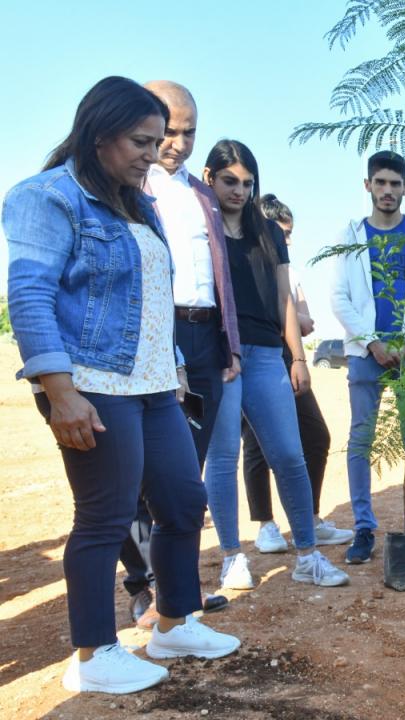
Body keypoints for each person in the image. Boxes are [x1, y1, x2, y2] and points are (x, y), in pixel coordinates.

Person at [4, 76, 240, 694]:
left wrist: (175, 369)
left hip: (156, 383)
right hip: (91, 381)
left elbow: (150, 298)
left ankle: (174, 621)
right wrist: (60, 392)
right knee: (104, 516)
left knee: (185, 503)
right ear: (99, 133)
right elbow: (29, 294)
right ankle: (92, 655)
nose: (151, 152)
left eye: (157, 140)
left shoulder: (136, 202)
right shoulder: (48, 196)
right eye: (141, 140)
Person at [201, 140, 349, 589]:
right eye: (230, 181)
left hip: (268, 354)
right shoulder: (198, 228)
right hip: (220, 354)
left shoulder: (267, 232)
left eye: (247, 183)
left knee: (289, 454)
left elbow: (285, 297)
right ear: (209, 178)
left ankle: (307, 554)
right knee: (223, 457)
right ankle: (232, 557)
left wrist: (298, 358)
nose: (239, 190)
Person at [119, 80, 238, 627]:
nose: (178, 143)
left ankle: (179, 594)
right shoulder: (127, 189)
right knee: (141, 472)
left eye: (189, 131)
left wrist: (227, 344)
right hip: (149, 340)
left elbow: (219, 276)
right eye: (169, 130)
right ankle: (143, 589)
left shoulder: (200, 194)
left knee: (186, 475)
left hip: (204, 337)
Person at [331, 151, 405, 563]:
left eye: (395, 184)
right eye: (380, 182)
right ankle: (364, 529)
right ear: (368, 185)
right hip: (367, 354)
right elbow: (340, 298)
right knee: (362, 438)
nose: (387, 191)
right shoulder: (351, 236)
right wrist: (373, 343)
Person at [242, 195, 350, 553]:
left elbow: (303, 317)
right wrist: (293, 318)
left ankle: (311, 518)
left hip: (288, 355)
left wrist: (298, 353)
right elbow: (294, 315)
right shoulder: (246, 261)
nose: (287, 241)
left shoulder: (289, 269)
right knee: (256, 444)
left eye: (289, 234)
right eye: (282, 233)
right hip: (254, 354)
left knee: (316, 436)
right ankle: (265, 525)